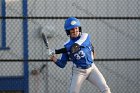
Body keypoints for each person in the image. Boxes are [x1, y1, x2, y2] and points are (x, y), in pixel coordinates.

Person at [49, 17, 111, 93]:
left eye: (76, 28)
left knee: (105, 89)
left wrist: (56, 51)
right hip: (78, 71)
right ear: (68, 32)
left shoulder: (85, 36)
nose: (75, 31)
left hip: (92, 68)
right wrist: (53, 58)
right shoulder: (66, 45)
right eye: (72, 29)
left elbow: (75, 47)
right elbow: (62, 64)